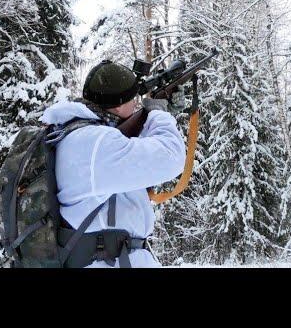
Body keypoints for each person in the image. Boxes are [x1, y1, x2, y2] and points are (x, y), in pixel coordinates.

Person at [39, 60, 186, 268]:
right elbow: (171, 157)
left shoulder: (81, 138)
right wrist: (158, 115)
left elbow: (130, 158)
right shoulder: (95, 143)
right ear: (118, 106)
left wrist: (158, 117)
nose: (137, 105)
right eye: (133, 100)